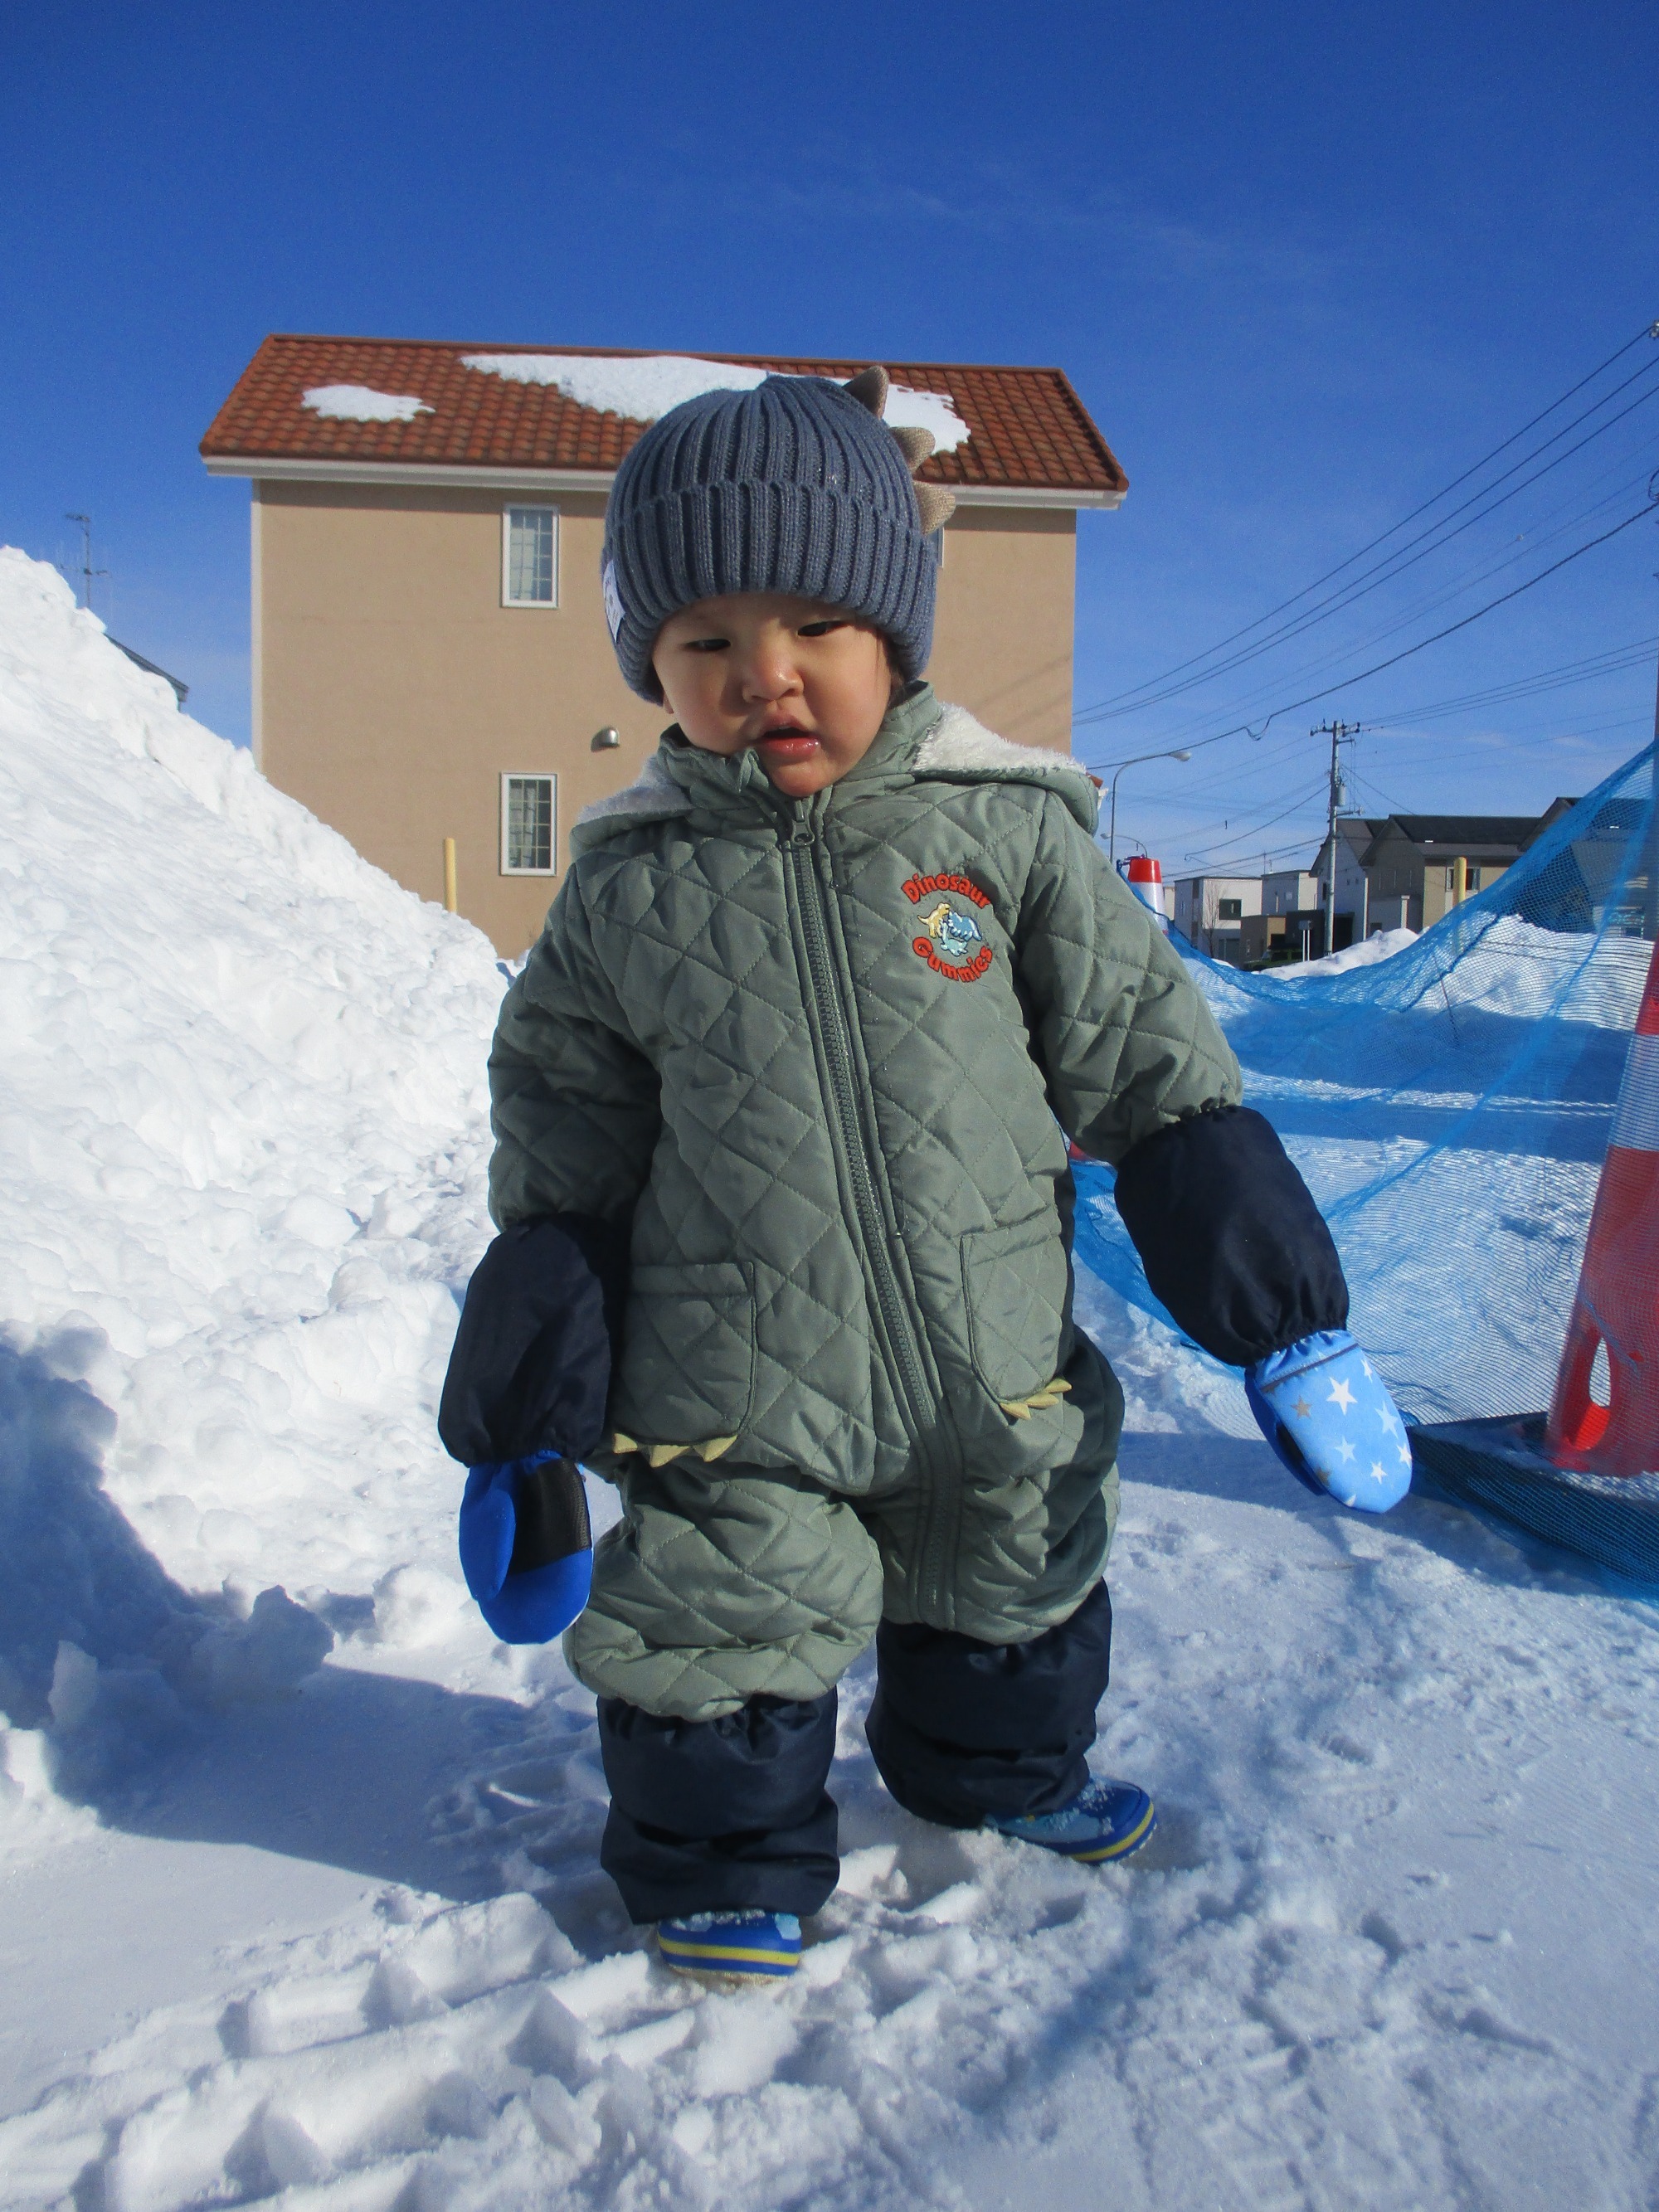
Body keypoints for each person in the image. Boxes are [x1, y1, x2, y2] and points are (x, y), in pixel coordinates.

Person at [439, 367, 1408, 1982]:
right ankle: (716, 1859)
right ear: (651, 665)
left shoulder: (1009, 838)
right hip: (726, 1379)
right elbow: (565, 1166)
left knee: (1014, 1571)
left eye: (814, 623)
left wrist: (1284, 1316)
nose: (767, 675)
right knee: (715, 1617)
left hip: (988, 1350)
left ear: (894, 629)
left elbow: (1153, 1072)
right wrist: (521, 1410)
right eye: (704, 643)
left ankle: (1002, 1774)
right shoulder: (625, 892)